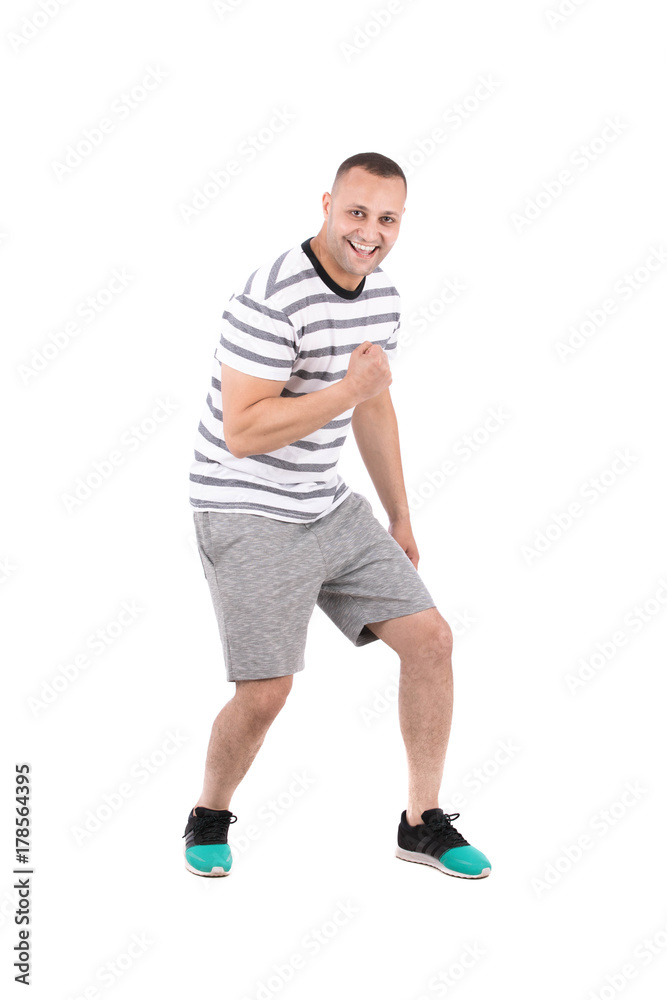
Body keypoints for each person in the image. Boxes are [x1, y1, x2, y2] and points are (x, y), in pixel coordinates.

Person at [183, 151, 491, 880]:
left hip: (325, 503)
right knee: (266, 694)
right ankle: (209, 812)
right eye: (356, 212)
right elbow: (243, 430)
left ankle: (420, 823)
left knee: (431, 642)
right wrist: (349, 388)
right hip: (244, 506)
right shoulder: (269, 298)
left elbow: (373, 405)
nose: (369, 232)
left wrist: (399, 516)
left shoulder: (380, 296)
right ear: (326, 206)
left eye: (387, 219)